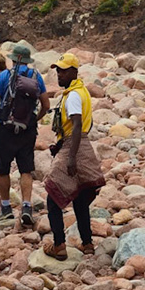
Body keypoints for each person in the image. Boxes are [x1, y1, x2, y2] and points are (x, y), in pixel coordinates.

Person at [0, 43, 50, 226]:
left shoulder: (5, 76)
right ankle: (26, 207)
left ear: (13, 59)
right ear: (28, 60)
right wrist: (34, 119)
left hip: (5, 129)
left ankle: (6, 209)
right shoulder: (36, 76)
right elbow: (46, 106)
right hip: (27, 130)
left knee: (3, 170)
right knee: (26, 169)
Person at [43, 52, 105, 259]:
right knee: (80, 197)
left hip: (73, 145)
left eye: (62, 71)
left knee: (52, 196)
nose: (58, 75)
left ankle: (59, 245)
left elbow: (76, 125)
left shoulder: (74, 96)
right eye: (57, 70)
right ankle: (87, 243)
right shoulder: (81, 91)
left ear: (74, 71)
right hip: (82, 145)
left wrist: (70, 157)